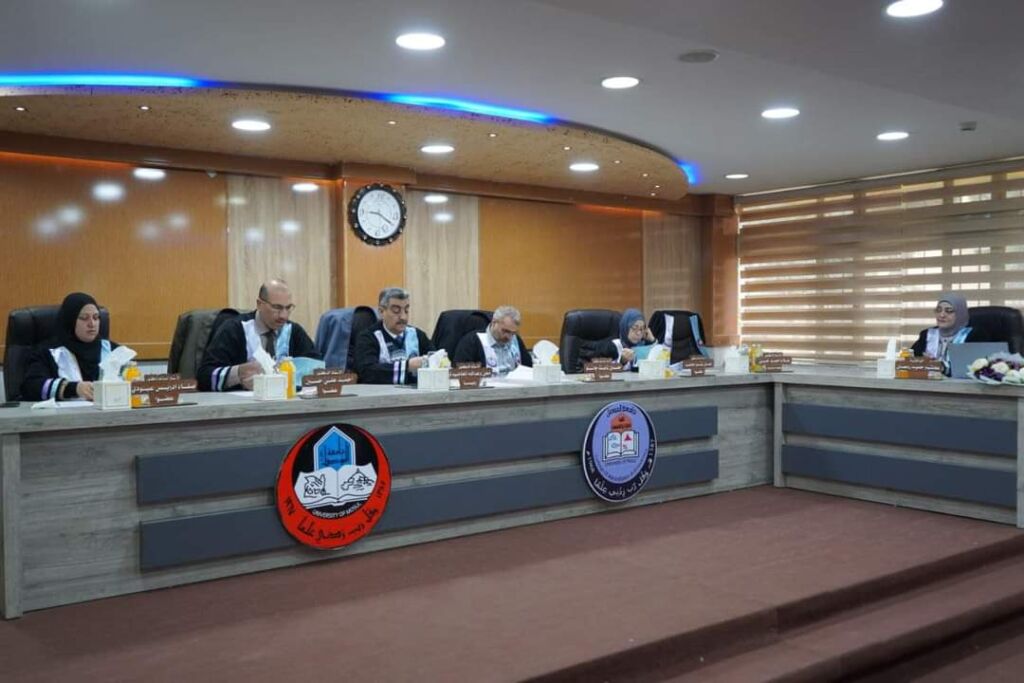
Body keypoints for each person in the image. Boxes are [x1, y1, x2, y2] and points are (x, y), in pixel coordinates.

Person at [198, 279, 320, 391]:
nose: (283, 315)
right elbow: (204, 377)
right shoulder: (234, 329)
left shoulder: (293, 331)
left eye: (288, 308)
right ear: (259, 304)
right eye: (276, 307)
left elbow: (317, 371)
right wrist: (238, 374)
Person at [21, 292, 120, 401]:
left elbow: (131, 378)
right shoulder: (47, 353)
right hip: (63, 412)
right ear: (70, 320)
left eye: (96, 318)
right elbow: (31, 387)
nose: (92, 324)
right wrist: (73, 388)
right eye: (84, 318)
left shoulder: (113, 350)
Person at [353, 287, 435, 384]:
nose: (403, 317)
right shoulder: (368, 338)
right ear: (381, 311)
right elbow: (367, 372)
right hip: (380, 393)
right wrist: (408, 366)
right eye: (396, 311)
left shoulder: (417, 335)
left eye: (406, 310)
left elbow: (436, 360)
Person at [911, 292, 984, 374]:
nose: (942, 315)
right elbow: (909, 362)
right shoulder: (927, 334)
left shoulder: (974, 336)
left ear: (960, 314)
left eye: (949, 311)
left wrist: (941, 367)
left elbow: (976, 367)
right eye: (938, 310)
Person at [453, 305, 532, 376]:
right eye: (505, 331)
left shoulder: (515, 340)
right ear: (494, 323)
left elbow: (529, 368)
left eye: (513, 333)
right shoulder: (472, 341)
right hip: (486, 387)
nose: (509, 337)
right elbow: (461, 373)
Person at [578, 308, 655, 372]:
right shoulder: (612, 347)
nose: (638, 333)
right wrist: (622, 362)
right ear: (625, 327)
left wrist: (652, 341)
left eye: (642, 329)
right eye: (634, 328)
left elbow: (658, 362)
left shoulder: (641, 346)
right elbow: (599, 370)